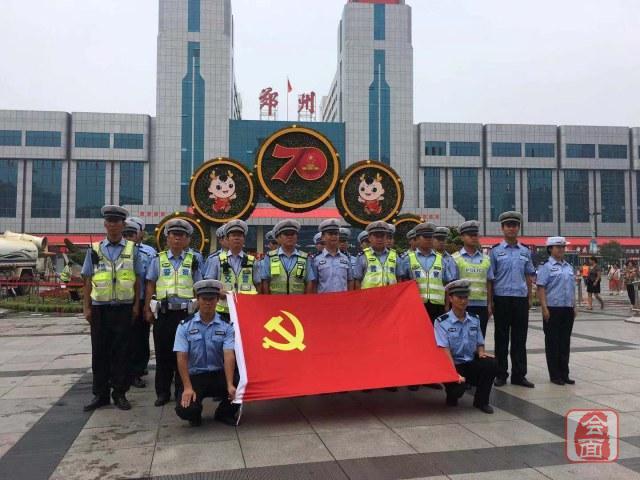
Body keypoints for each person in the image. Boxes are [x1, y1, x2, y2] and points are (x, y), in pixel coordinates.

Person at [81, 205, 145, 411]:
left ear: (123, 225)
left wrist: (136, 306)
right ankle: (100, 395)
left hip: (124, 308)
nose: (113, 225)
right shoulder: (94, 249)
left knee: (121, 352)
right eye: (110, 221)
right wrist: (86, 307)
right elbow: (87, 280)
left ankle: (120, 393)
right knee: (99, 352)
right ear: (105, 224)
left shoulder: (132, 250)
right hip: (100, 308)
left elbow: (138, 280)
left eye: (117, 222)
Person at [145, 219, 202, 406]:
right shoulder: (158, 260)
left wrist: (198, 311)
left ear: (187, 240)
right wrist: (147, 308)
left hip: (186, 314)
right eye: (174, 235)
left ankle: (181, 390)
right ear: (167, 238)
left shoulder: (193, 260)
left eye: (181, 235)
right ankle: (162, 392)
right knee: (162, 354)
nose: (177, 239)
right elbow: (150, 284)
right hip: (164, 313)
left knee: (184, 353)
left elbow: (198, 286)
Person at [173, 279, 239, 427]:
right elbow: (181, 358)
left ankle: (224, 413)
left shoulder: (226, 326)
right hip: (195, 376)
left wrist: (230, 384)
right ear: (198, 299)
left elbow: (229, 355)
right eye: (204, 299)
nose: (208, 303)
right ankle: (195, 413)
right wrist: (187, 387)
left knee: (240, 388)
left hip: (218, 374)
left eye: (212, 299)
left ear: (217, 300)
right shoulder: (184, 326)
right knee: (185, 409)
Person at [435, 280, 497, 414]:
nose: (463, 301)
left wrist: (481, 352)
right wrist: (454, 373)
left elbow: (479, 342)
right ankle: (452, 394)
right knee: (457, 390)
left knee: (491, 364)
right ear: (450, 298)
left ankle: (481, 402)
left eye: (466, 297)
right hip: (452, 364)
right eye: (459, 297)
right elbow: (444, 350)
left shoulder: (474, 319)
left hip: (469, 361)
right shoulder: (441, 322)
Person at [489, 211, 536, 388]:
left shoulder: (525, 251)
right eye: (508, 225)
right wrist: (490, 301)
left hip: (520, 299)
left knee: (519, 338)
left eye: (514, 225)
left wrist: (529, 297)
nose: (511, 228)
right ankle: (500, 374)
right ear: (502, 228)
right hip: (501, 298)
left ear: (518, 228)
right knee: (501, 338)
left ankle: (519, 375)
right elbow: (490, 279)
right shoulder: (495, 251)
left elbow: (529, 275)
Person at [536, 237, 576, 386]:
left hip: (567, 308)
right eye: (558, 247)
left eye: (563, 247)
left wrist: (574, 306)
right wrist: (544, 308)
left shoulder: (568, 266)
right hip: (552, 309)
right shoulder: (546, 267)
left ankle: (564, 374)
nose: (561, 250)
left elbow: (572, 288)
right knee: (553, 342)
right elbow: (541, 288)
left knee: (565, 342)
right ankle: (555, 375)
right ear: (550, 249)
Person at [122, 218, 156, 389]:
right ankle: (122, 371)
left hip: (142, 299)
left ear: (139, 235)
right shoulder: (117, 250)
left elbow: (151, 280)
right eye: (125, 234)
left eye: (131, 233)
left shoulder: (149, 252)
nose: (128, 237)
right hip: (121, 301)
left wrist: (147, 305)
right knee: (122, 338)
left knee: (140, 338)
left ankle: (137, 371)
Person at [399, 222, 456, 323]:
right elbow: (401, 283)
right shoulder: (407, 259)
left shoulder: (441, 259)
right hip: (416, 304)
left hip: (438, 306)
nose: (429, 239)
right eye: (425, 237)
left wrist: (447, 306)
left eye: (431, 237)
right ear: (417, 239)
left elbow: (447, 285)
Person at [203, 220, 260, 320]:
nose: (237, 238)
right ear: (227, 239)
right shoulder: (216, 260)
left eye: (240, 235)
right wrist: (218, 292)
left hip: (246, 309)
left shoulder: (252, 261)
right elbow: (209, 284)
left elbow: (258, 286)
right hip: (223, 311)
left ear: (244, 239)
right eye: (233, 235)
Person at [452, 220, 492, 338]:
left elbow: (489, 283)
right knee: (460, 338)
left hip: (481, 305)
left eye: (475, 235)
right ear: (462, 237)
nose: (474, 237)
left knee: (479, 338)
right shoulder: (454, 258)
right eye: (470, 235)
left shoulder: (486, 259)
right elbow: (452, 284)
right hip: (462, 305)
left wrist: (489, 304)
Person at [261, 220, 309, 294]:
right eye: (286, 234)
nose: (290, 236)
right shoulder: (270, 257)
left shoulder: (304, 257)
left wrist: (307, 300)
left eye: (293, 234)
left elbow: (309, 281)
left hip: (298, 299)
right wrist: (267, 300)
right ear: (279, 238)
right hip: (276, 299)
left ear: (297, 237)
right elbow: (265, 281)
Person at [307, 219, 354, 293]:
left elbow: (350, 281)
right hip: (324, 299)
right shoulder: (316, 260)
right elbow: (314, 283)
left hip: (343, 298)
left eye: (336, 234)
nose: (334, 236)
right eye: (330, 234)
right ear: (323, 237)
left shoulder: (346, 258)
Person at [354, 221, 400, 289]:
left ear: (386, 237)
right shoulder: (362, 257)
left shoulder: (395, 256)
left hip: (391, 295)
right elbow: (357, 281)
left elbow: (399, 279)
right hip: (369, 295)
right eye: (376, 236)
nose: (379, 239)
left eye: (382, 236)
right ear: (369, 238)